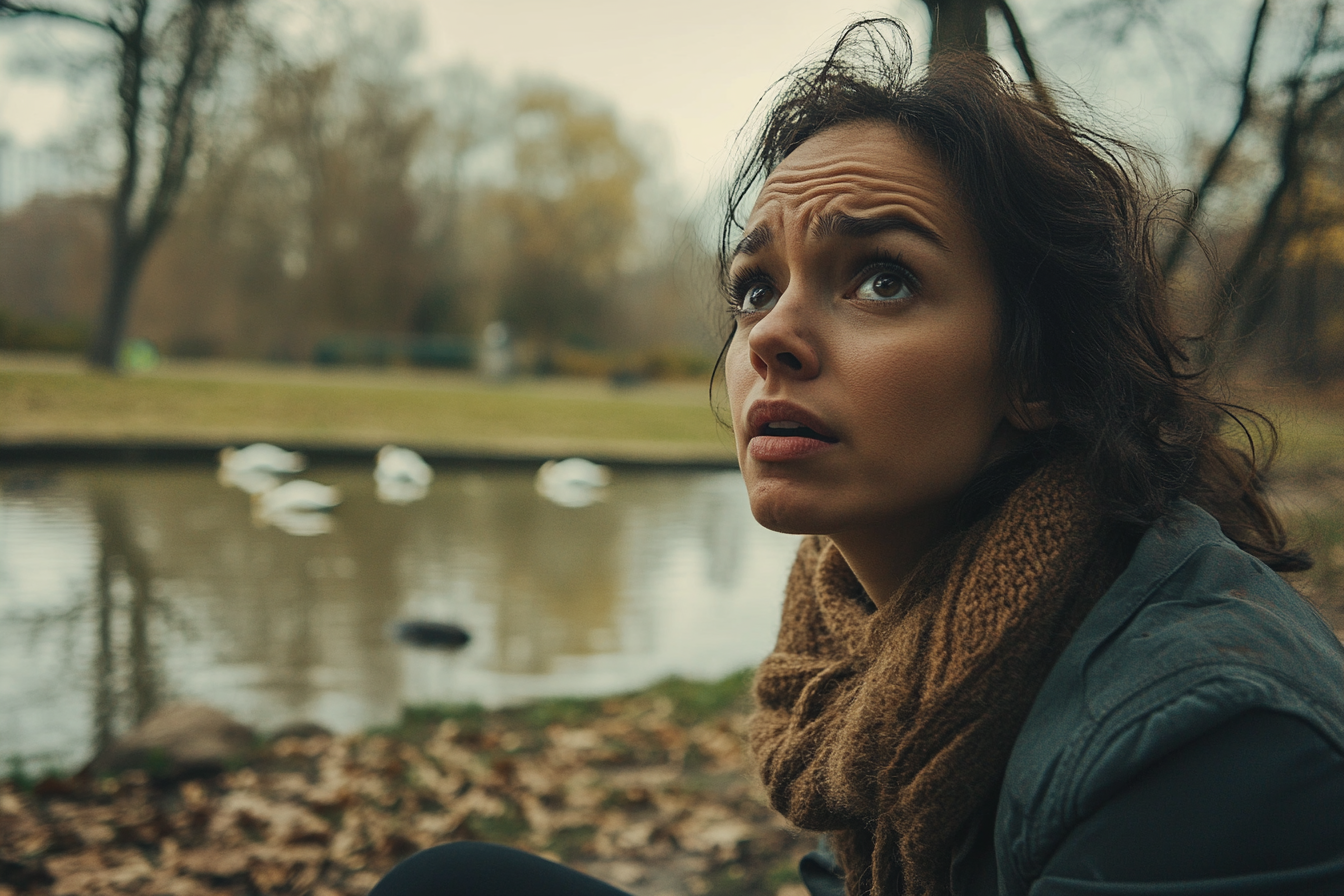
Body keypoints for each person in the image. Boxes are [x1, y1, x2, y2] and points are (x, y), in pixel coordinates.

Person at [370, 18, 1344, 896]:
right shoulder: (872, 633)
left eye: (882, 278)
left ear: (1038, 371)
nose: (769, 338)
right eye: (754, 287)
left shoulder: (1209, 741)